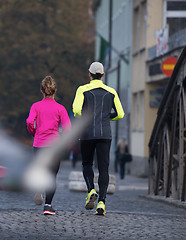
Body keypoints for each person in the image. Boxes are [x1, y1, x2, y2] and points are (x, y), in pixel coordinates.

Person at [72, 62, 124, 215]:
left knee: (87, 163)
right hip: (105, 134)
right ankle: (102, 202)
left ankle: (91, 190)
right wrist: (107, 118)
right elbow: (120, 114)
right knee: (103, 168)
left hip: (87, 133)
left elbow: (76, 110)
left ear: (89, 74)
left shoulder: (82, 89)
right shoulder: (111, 91)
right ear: (103, 75)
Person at [26, 75, 71, 215]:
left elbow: (29, 121)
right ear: (55, 91)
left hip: (39, 144)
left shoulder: (36, 106)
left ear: (42, 91)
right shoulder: (60, 108)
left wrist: (34, 132)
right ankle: (48, 206)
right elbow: (68, 128)